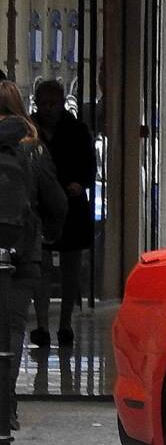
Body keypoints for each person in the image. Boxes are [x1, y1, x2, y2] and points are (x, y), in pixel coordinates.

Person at [0, 81, 66, 429]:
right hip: (22, 251)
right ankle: (5, 408)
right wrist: (49, 233)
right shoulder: (33, 147)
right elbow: (56, 201)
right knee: (11, 330)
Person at [31, 79, 94, 347]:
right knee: (40, 266)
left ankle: (65, 323)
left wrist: (80, 184)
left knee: (71, 267)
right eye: (44, 104)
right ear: (36, 103)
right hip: (40, 207)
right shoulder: (29, 129)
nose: (49, 109)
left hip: (72, 204)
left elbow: (90, 165)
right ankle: (43, 324)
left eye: (54, 103)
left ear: (61, 103)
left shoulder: (77, 130)